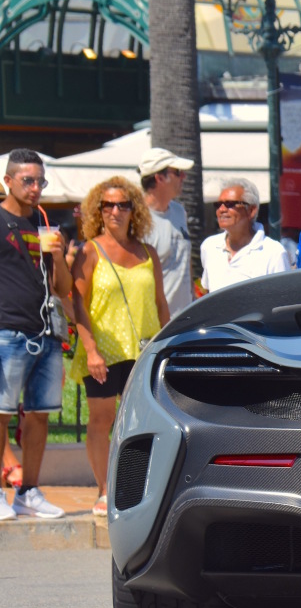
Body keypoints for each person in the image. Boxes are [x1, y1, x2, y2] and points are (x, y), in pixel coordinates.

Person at [69, 176, 170, 517]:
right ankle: (103, 490)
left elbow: (159, 303)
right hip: (104, 350)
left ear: (134, 210)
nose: (115, 211)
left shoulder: (147, 252)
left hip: (143, 352)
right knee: (101, 419)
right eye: (107, 205)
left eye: (122, 204)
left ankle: (134, 490)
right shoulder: (88, 250)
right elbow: (77, 303)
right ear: (97, 211)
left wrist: (168, 344)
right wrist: (91, 349)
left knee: (141, 423)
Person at [0, 148, 73, 519]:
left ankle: (28, 491)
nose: (35, 188)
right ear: (7, 181)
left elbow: (62, 289)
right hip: (6, 330)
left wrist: (58, 255)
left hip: (44, 333)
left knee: (40, 415)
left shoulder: (44, 225)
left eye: (40, 181)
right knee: (1, 413)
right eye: (27, 180)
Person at [198, 179, 291, 293]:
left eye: (229, 204)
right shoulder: (209, 247)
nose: (221, 210)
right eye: (218, 205)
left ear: (251, 210)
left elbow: (282, 299)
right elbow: (207, 293)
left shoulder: (274, 253)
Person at [138, 147, 195, 315]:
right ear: (159, 177)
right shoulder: (138, 220)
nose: (183, 176)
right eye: (177, 172)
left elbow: (185, 259)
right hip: (155, 322)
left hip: (183, 318)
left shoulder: (179, 212)